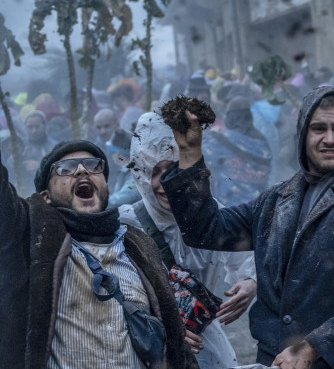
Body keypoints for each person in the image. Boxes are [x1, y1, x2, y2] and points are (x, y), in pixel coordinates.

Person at [160, 85, 334, 369]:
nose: (330, 139)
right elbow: (206, 229)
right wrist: (189, 155)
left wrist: (315, 346)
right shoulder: (277, 199)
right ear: (303, 134)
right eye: (319, 128)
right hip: (274, 360)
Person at [0, 139, 194, 368]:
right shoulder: (30, 238)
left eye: (93, 165)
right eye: (66, 169)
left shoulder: (139, 245)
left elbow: (171, 331)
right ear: (46, 197)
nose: (82, 170)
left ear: (106, 186)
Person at [120, 112, 257, 368]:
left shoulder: (209, 213)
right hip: (147, 349)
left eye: (172, 169)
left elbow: (243, 256)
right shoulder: (126, 224)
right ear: (139, 175)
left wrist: (250, 283)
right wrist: (163, 328)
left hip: (207, 346)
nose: (164, 183)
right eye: (154, 172)